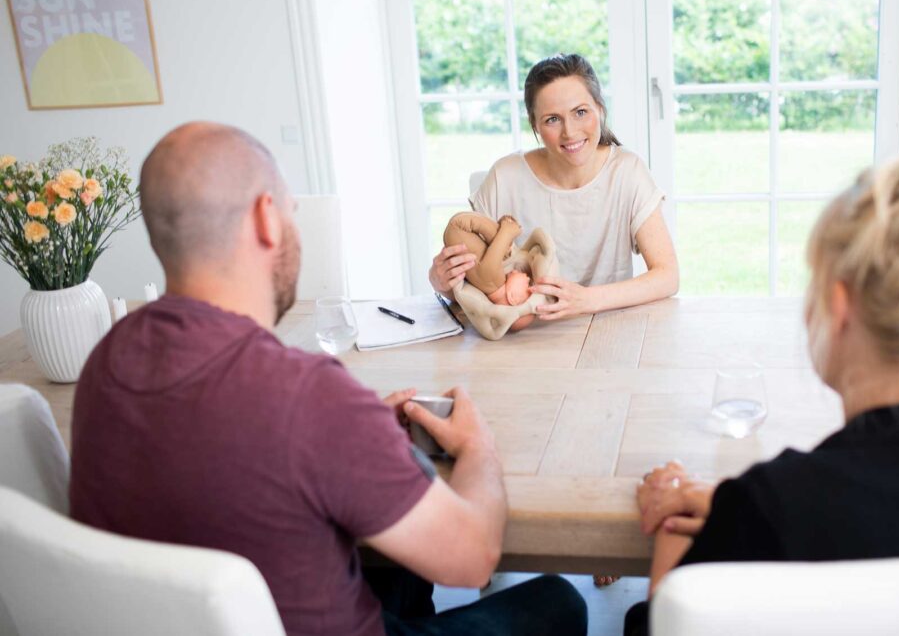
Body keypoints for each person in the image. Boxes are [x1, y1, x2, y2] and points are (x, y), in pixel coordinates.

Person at [69, 122, 587, 636]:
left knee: (399, 566)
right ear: (265, 220)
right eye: (291, 213)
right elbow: (473, 559)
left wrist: (358, 439)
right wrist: (479, 449)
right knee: (558, 601)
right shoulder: (307, 397)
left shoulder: (107, 360)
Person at [625, 138, 899, 634]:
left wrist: (671, 542)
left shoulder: (775, 503)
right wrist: (731, 505)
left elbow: (668, 621)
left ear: (839, 307)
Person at [429, 53, 679, 322]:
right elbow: (480, 285)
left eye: (580, 112)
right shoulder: (505, 177)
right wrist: (442, 283)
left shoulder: (627, 172)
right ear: (535, 125)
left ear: (600, 109)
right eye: (552, 119)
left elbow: (667, 276)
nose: (569, 132)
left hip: (607, 328)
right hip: (526, 339)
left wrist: (586, 300)